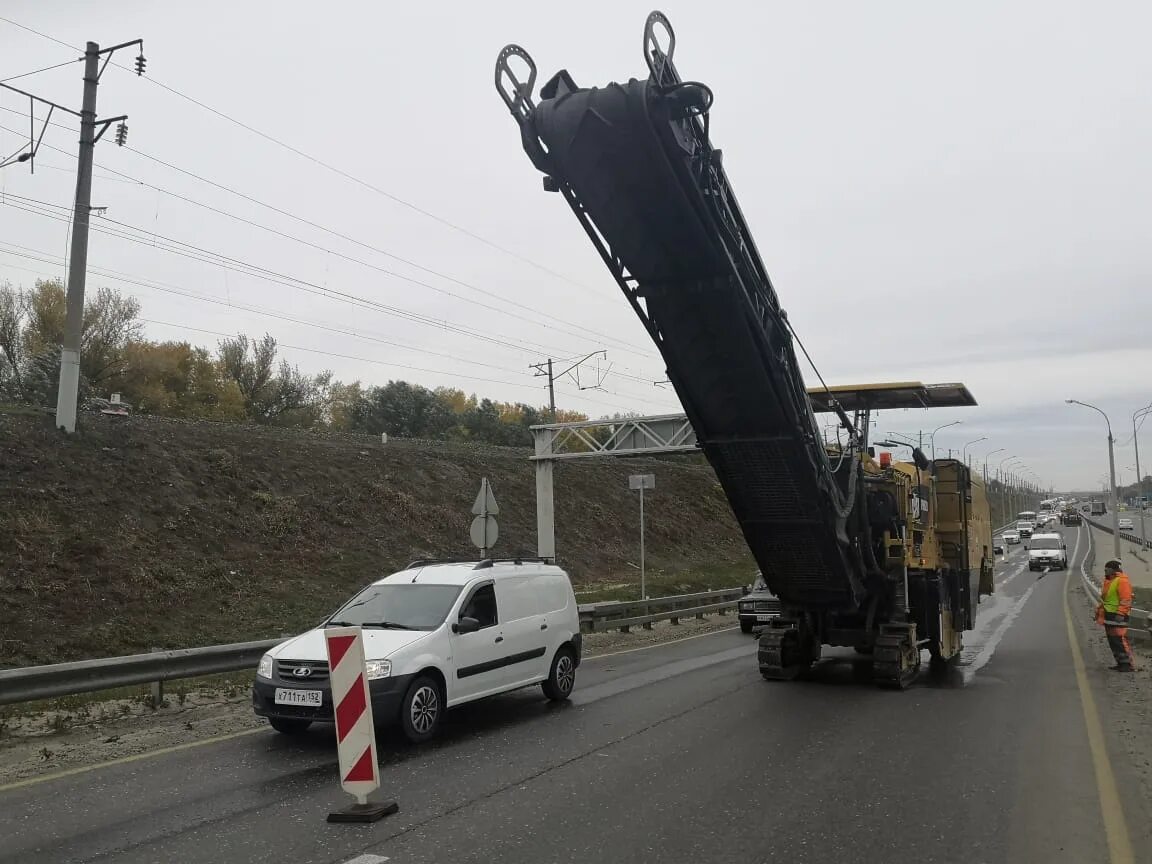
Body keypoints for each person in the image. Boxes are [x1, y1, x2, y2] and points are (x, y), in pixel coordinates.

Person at [1095, 559, 1136, 672]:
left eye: (1106, 569)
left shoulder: (1122, 581)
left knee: (1120, 640)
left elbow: (1126, 599)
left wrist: (1121, 613)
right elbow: (1106, 599)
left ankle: (1127, 665)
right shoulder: (1109, 581)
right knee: (1113, 641)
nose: (1104, 571)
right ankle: (1120, 663)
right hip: (1110, 616)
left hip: (1118, 616)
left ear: (1113, 570)